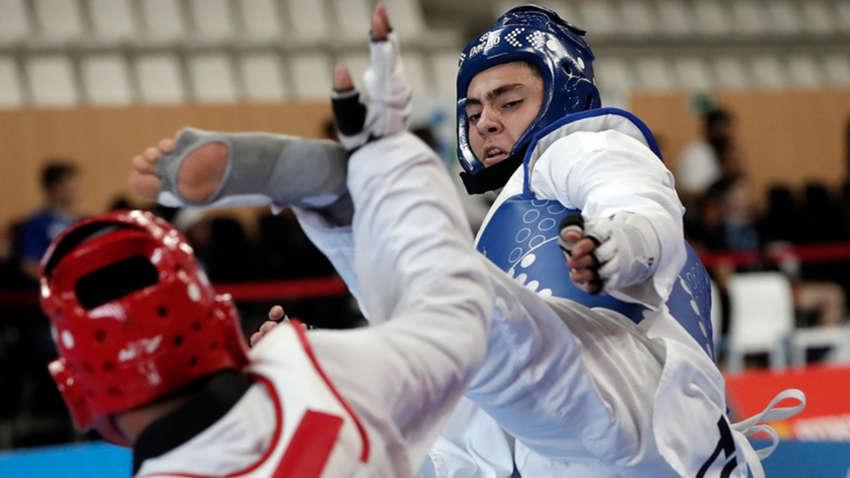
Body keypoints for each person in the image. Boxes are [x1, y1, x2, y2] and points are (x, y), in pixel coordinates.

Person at [130, 5, 803, 478]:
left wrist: (616, 242)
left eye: (509, 102)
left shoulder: (581, 143)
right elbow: (427, 314)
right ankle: (341, 248)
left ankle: (353, 202)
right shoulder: (498, 225)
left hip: (630, 406)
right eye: (474, 109)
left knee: (489, 325)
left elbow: (638, 201)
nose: (485, 122)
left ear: (563, 95)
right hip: (508, 450)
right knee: (442, 331)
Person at [40, 17, 495, 474]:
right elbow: (460, 321)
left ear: (77, 390)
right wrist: (393, 161)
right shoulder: (309, 371)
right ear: (219, 322)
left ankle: (343, 204)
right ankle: (343, 203)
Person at [18, 161, 81, 282]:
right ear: (55, 188)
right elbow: (29, 265)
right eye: (69, 183)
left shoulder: (80, 222)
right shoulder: (38, 223)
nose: (76, 188)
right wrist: (58, 282)